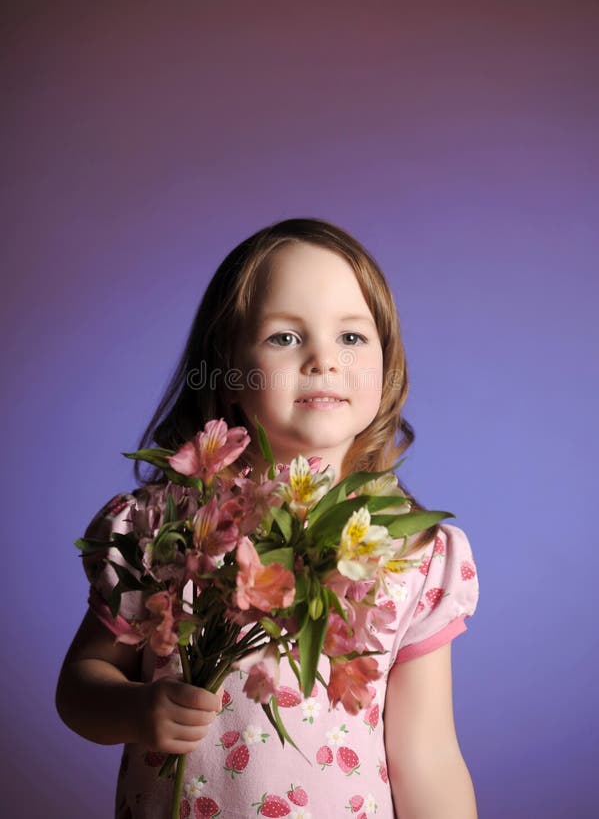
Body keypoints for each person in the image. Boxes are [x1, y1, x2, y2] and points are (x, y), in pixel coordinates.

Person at [56, 218, 480, 818]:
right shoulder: (170, 531)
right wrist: (135, 708)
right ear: (229, 368)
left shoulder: (406, 556)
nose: (322, 360)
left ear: (387, 367)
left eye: (352, 338)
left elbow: (428, 755)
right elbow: (81, 682)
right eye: (284, 337)